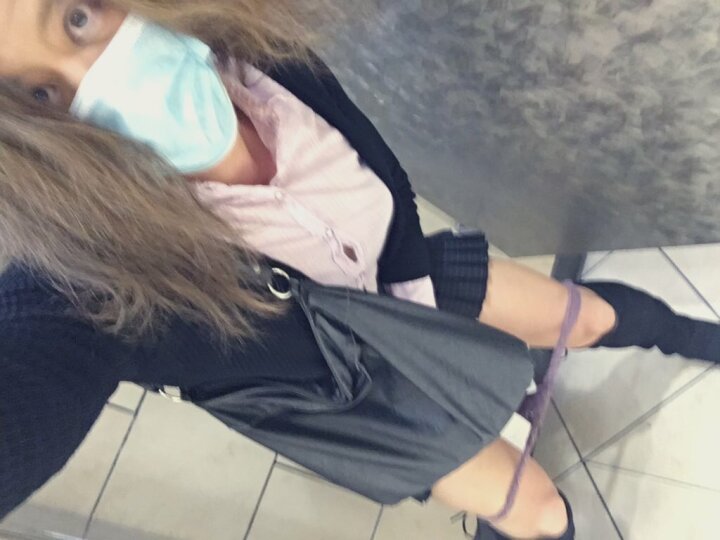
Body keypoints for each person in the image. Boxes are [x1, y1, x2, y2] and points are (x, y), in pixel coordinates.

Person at [0, 2, 717, 538]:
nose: (96, 77)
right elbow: (38, 362)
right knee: (537, 510)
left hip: (401, 276)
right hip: (346, 391)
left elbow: (384, 175)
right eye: (40, 93)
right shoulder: (95, 273)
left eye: (75, 17)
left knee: (586, 318)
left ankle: (696, 335)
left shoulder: (262, 58)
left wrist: (415, 287)